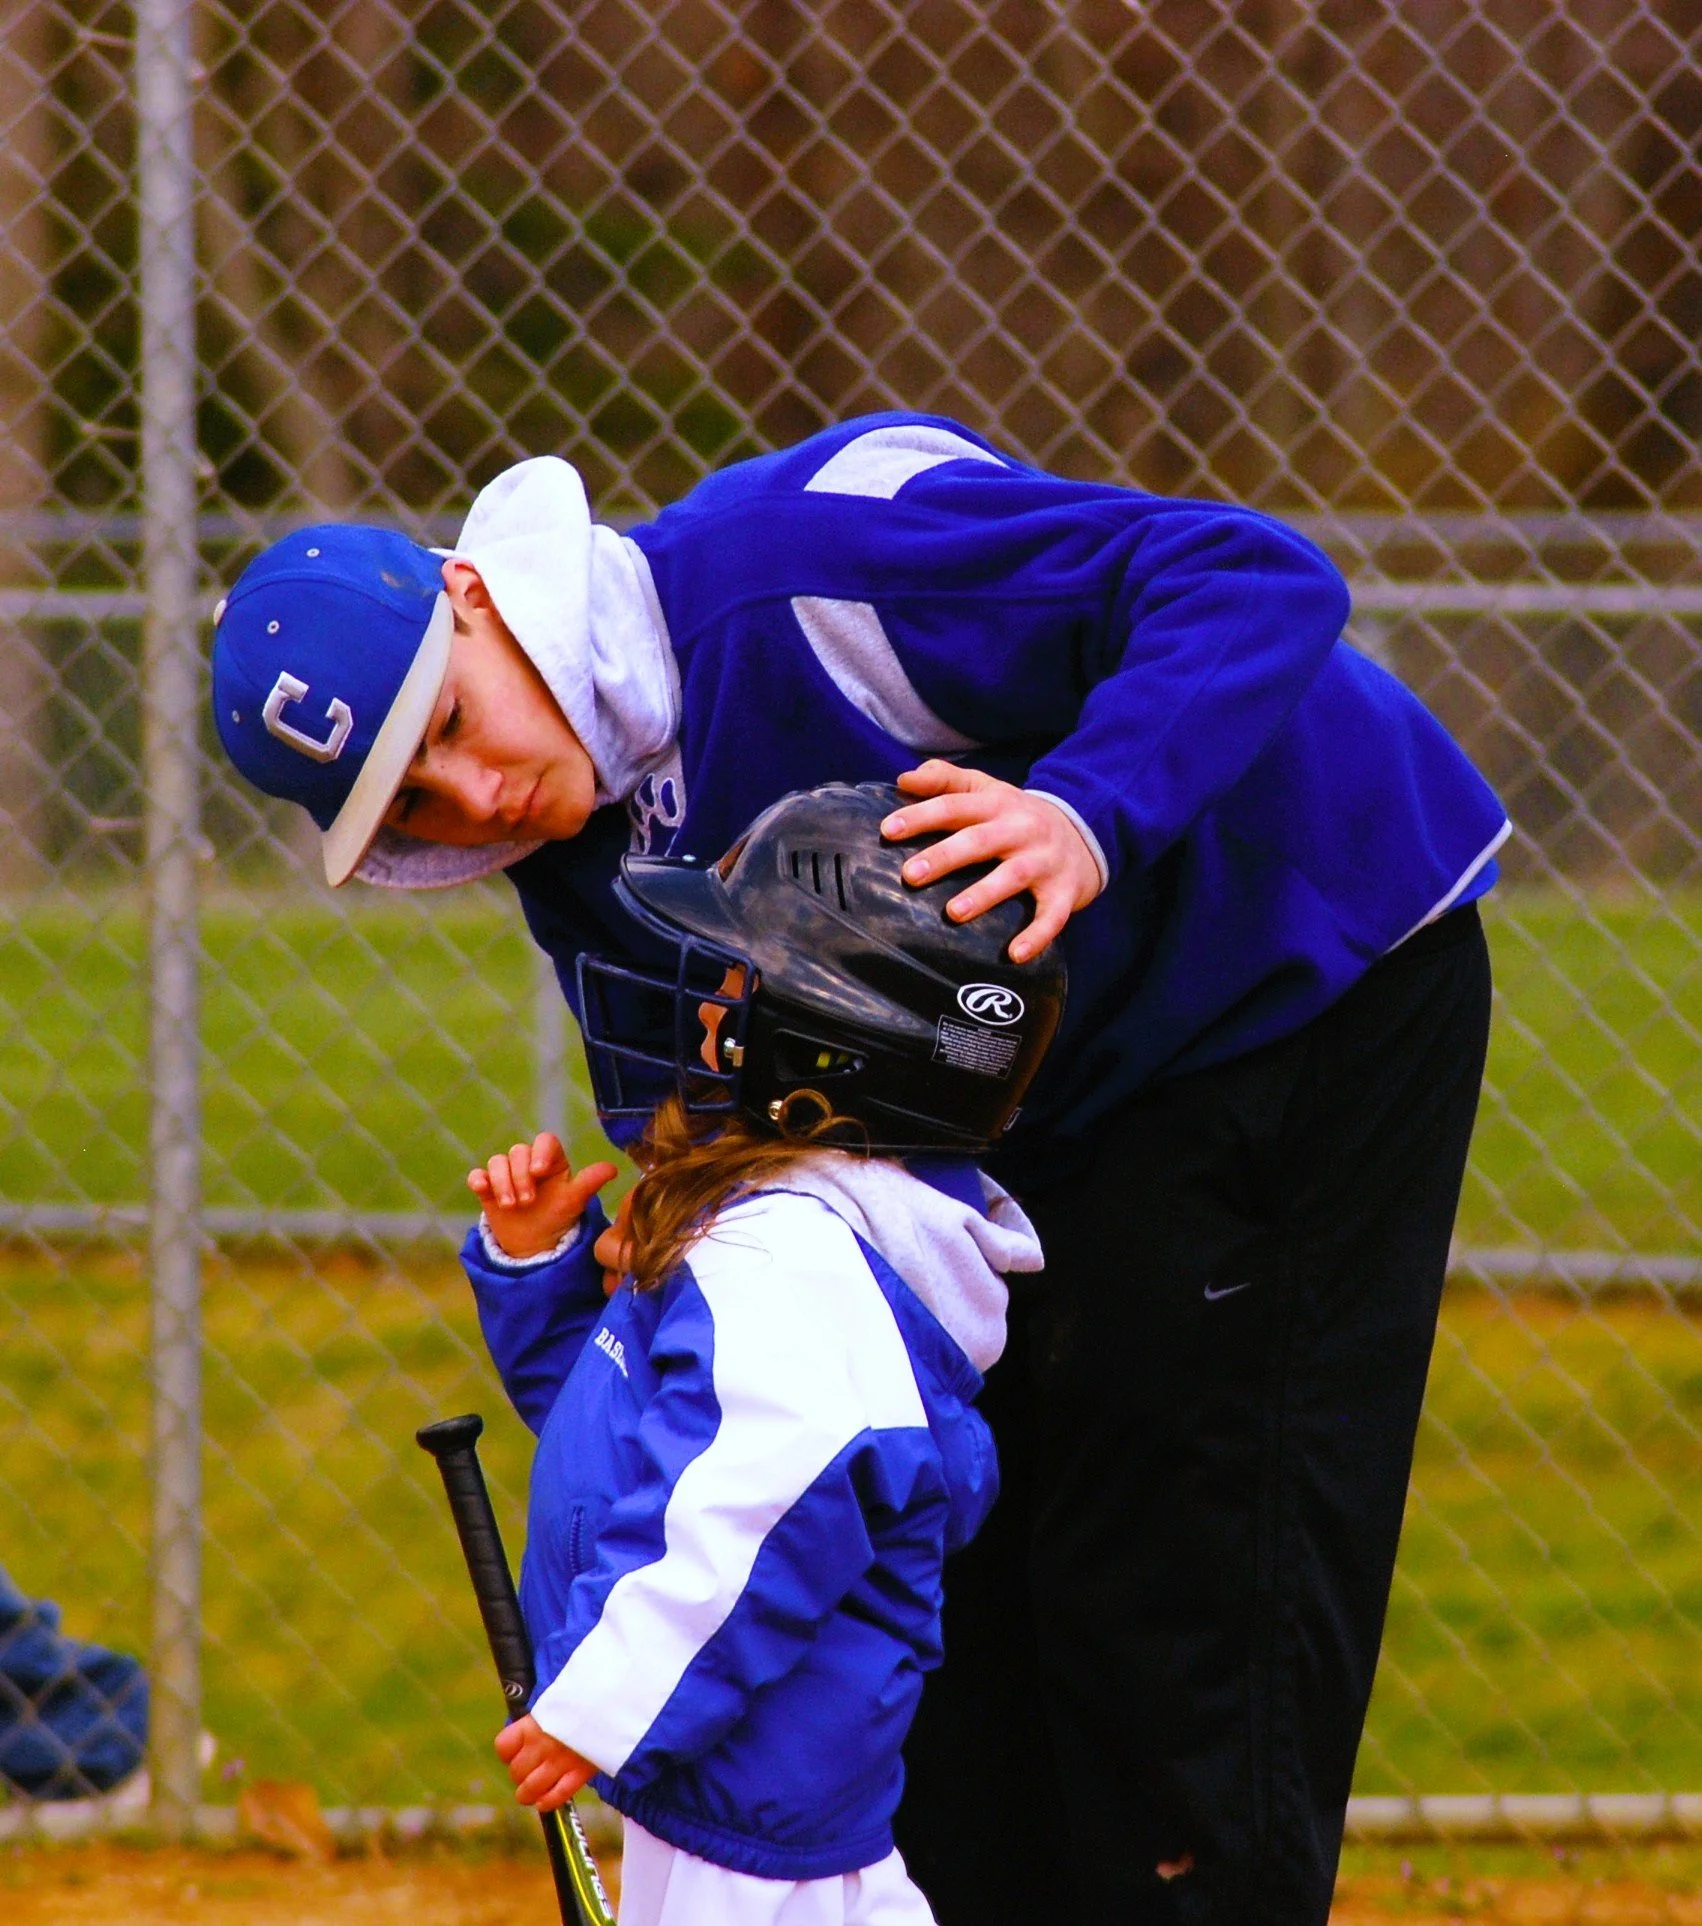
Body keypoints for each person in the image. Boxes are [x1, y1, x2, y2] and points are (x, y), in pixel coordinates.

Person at [212, 412, 1504, 1923]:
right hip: (1002, 1113)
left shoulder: (804, 573)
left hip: (1280, 979)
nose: (476, 797)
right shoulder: (562, 822)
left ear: (475, 594)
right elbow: (685, 1083)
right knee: (931, 1587)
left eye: (447, 724)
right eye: (412, 806)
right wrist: (679, 1222)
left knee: (1174, 1601)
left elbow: (1247, 576)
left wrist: (1084, 808)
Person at [458, 782, 1062, 1926]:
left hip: (751, 1803)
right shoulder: (790, 1241)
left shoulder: (792, 1266)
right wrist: (537, 1269)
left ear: (830, 1055)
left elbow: (749, 1514)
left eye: (734, 989)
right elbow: (635, 1429)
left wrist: (608, 1703)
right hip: (723, 1770)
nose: (700, 1015)